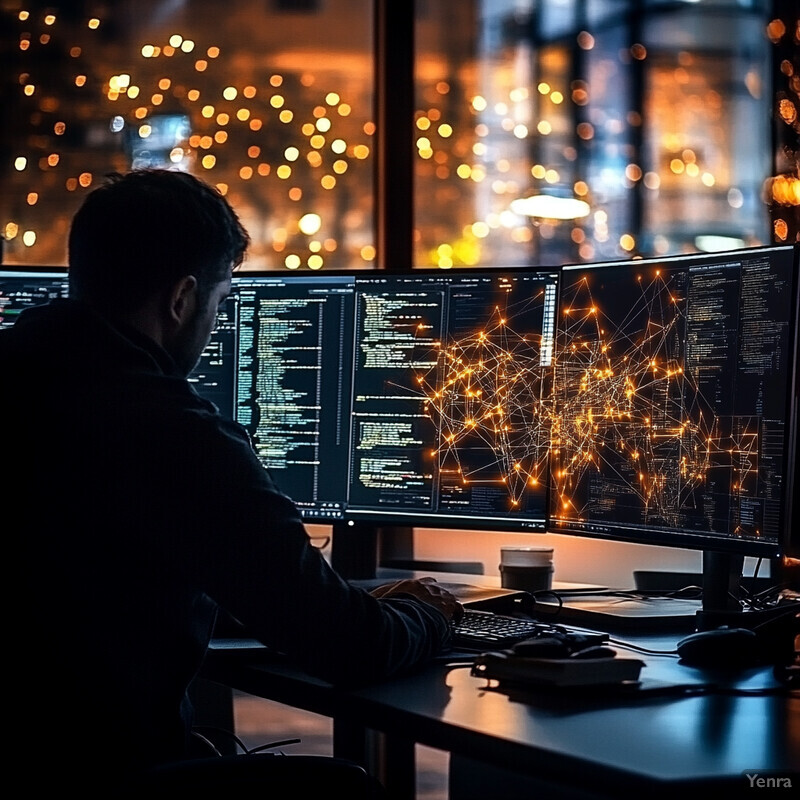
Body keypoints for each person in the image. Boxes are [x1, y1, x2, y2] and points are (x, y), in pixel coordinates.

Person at [1, 169, 459, 794]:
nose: (215, 323)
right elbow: (346, 648)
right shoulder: (172, 431)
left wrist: (298, 598)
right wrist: (428, 613)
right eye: (220, 304)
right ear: (182, 298)